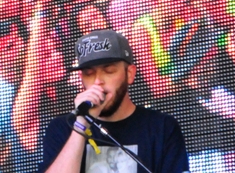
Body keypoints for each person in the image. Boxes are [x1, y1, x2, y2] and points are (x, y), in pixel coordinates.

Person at [38, 29, 189, 173]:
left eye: (108, 71)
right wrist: (81, 125)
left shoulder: (161, 128)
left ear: (129, 74)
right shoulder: (62, 129)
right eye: (89, 74)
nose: (98, 81)